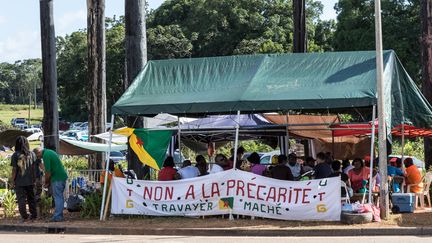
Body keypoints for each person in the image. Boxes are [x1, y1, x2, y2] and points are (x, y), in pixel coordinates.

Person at [34, 147, 68, 222]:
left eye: (37, 156)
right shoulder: (49, 152)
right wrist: (40, 164)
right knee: (59, 197)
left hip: (57, 178)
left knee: (58, 197)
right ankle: (59, 215)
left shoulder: (46, 155)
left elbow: (48, 172)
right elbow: (47, 168)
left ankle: (58, 216)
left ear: (39, 152)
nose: (39, 157)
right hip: (60, 176)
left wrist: (46, 182)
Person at [11, 136, 37, 222]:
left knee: (21, 199)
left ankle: (24, 216)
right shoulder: (32, 154)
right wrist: (34, 179)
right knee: (31, 198)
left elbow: (14, 169)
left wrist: (12, 181)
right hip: (31, 181)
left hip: (19, 181)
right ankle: (33, 215)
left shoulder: (15, 155)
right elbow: (34, 168)